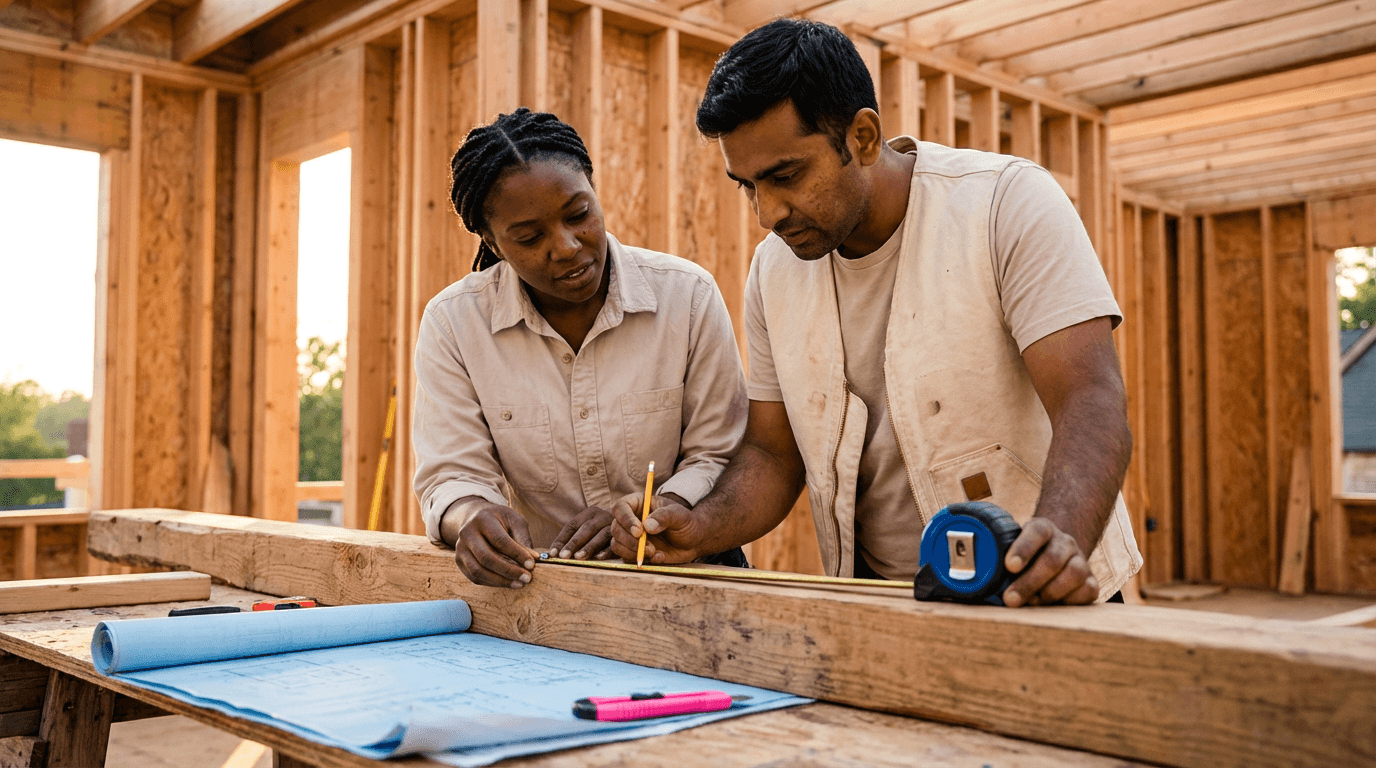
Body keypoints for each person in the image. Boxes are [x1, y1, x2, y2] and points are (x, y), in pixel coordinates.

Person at [609, 19, 1142, 606]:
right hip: (883, 605)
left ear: (862, 137)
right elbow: (771, 453)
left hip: (1042, 593)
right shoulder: (774, 270)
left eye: (785, 176)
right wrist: (702, 526)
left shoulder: (1005, 204)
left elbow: (1090, 399)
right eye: (747, 186)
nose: (767, 213)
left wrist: (1058, 543)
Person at [413, 108, 748, 588]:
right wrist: (472, 516)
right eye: (529, 237)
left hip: (690, 578)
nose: (567, 246)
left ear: (594, 189)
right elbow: (452, 476)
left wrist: (658, 511)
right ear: (492, 241)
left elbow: (722, 454)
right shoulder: (454, 324)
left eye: (578, 214)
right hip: (545, 596)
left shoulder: (687, 297)